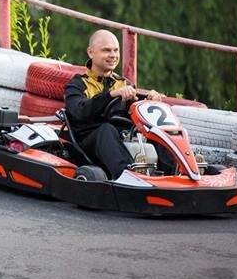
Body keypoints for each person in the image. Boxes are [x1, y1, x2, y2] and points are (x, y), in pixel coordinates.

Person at [64, 29, 173, 179]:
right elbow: (80, 111)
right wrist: (110, 95)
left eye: (116, 50)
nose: (113, 55)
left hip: (120, 139)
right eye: (106, 50)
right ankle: (129, 176)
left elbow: (136, 110)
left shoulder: (123, 84)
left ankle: (177, 171)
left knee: (153, 129)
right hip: (89, 142)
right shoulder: (77, 84)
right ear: (91, 52)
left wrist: (149, 100)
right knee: (106, 129)